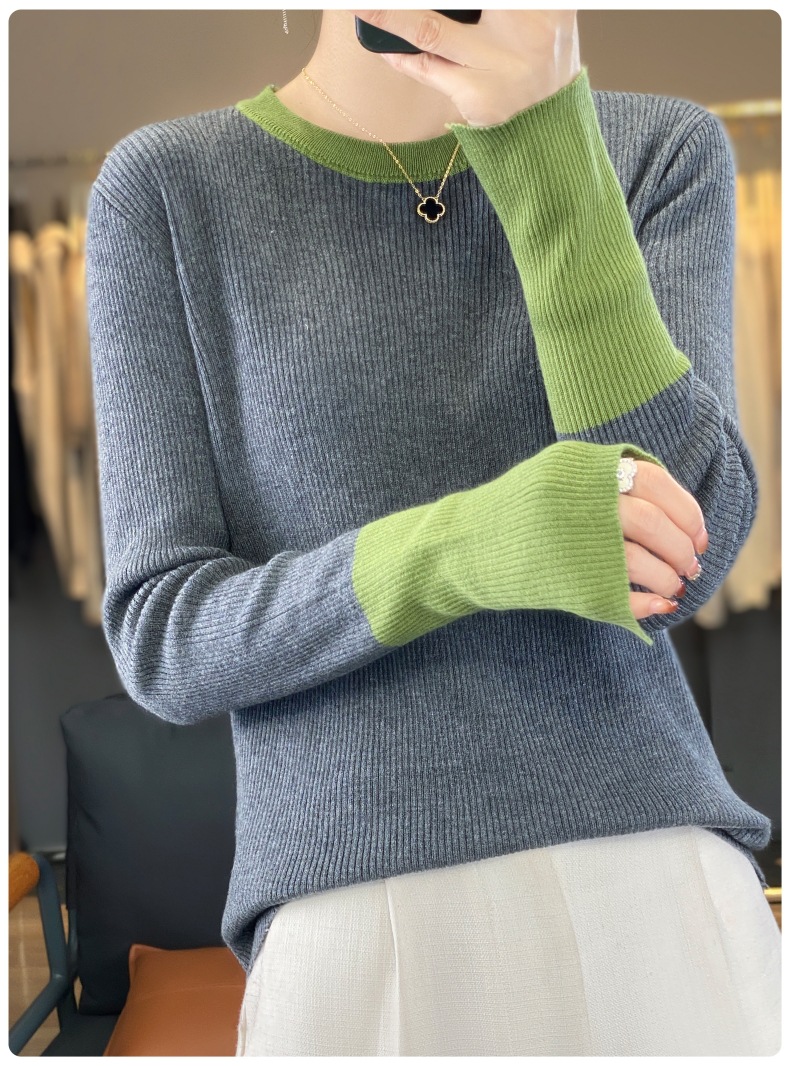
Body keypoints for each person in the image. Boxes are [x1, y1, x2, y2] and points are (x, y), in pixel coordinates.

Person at [84, 8, 781, 1056]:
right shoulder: (169, 190)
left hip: (654, 884)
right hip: (355, 918)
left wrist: (547, 146)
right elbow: (164, 637)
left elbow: (689, 547)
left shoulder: (656, 151)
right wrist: (468, 545)